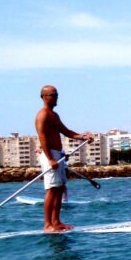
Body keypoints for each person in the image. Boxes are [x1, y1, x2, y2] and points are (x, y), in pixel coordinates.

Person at [35, 85, 94, 233]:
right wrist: (50, 159)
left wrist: (82, 136)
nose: (56, 98)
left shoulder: (54, 115)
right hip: (51, 156)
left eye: (57, 95)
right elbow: (42, 137)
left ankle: (56, 221)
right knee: (52, 189)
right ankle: (47, 225)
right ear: (44, 97)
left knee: (60, 188)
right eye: (53, 95)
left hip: (58, 154)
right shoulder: (42, 115)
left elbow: (66, 131)